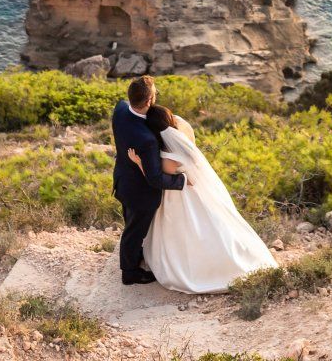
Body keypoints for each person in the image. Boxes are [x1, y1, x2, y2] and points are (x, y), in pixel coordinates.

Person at [136, 102, 278, 292]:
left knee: (186, 231)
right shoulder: (183, 132)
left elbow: (161, 179)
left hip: (179, 196)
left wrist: (139, 163)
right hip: (196, 190)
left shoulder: (169, 156)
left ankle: (204, 270)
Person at [112, 75, 185, 285]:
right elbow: (155, 179)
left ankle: (136, 257)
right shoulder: (148, 140)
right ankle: (130, 273)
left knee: (131, 225)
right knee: (134, 232)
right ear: (148, 102)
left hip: (123, 182)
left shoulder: (120, 110)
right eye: (155, 94)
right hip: (140, 195)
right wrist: (180, 181)